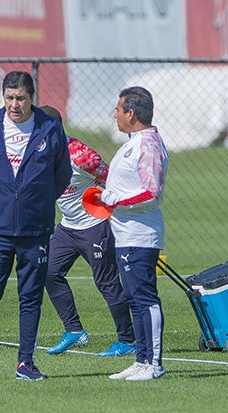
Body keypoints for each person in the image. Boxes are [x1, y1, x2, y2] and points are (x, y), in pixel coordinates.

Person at [0, 71, 73, 382]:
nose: (14, 104)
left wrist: (34, 202)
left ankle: (26, 362)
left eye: (20, 98)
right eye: (9, 97)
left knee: (31, 296)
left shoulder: (50, 128)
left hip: (35, 228)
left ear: (32, 98)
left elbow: (61, 175)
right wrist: (2, 200)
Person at [38, 105, 136, 358]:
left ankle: (128, 340)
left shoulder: (82, 157)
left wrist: (110, 206)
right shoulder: (38, 152)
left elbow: (112, 179)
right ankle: (74, 331)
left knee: (106, 283)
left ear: (53, 129)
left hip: (95, 227)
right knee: (48, 272)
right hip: (68, 228)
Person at [96, 86, 169, 381]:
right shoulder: (133, 142)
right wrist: (105, 195)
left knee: (144, 297)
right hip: (125, 233)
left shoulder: (147, 145)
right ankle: (141, 360)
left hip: (141, 235)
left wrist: (114, 201)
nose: (114, 115)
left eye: (118, 110)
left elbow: (151, 192)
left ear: (131, 113)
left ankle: (154, 364)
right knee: (133, 297)